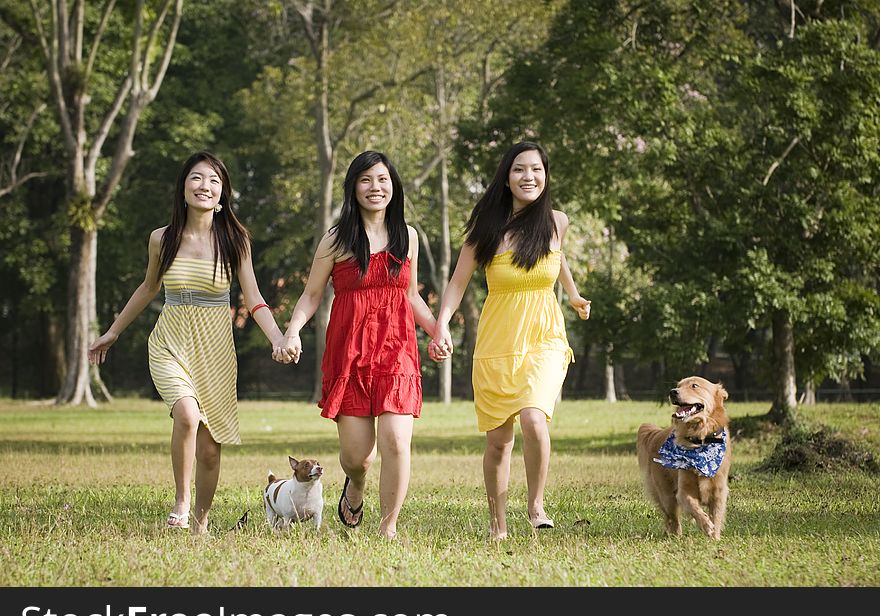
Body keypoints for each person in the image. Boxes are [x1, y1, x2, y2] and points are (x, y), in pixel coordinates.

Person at [88, 151, 287, 535]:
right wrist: (113, 331)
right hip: (170, 341)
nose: (205, 187)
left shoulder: (235, 239)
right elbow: (149, 288)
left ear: (223, 192)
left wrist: (278, 337)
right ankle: (181, 501)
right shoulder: (161, 239)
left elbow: (254, 298)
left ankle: (200, 522)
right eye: (196, 178)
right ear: (183, 188)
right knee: (187, 415)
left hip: (214, 350)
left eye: (214, 181)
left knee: (210, 450)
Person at [275, 150, 446, 539]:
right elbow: (311, 294)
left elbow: (412, 296)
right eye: (366, 180)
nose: (375, 187)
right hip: (349, 352)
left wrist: (439, 331)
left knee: (396, 441)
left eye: (383, 179)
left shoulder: (408, 237)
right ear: (353, 187)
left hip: (397, 349)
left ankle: (388, 526)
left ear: (393, 187)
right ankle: (356, 484)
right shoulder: (336, 240)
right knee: (357, 457)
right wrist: (293, 330)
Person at [434, 141, 591, 540]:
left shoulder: (557, 221)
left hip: (545, 336)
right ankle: (497, 525)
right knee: (499, 441)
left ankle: (536, 504)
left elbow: (558, 258)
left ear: (546, 175)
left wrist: (571, 295)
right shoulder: (486, 229)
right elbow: (456, 283)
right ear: (506, 178)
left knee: (534, 416)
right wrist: (441, 326)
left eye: (536, 169)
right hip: (498, 340)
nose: (529, 177)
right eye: (520, 169)